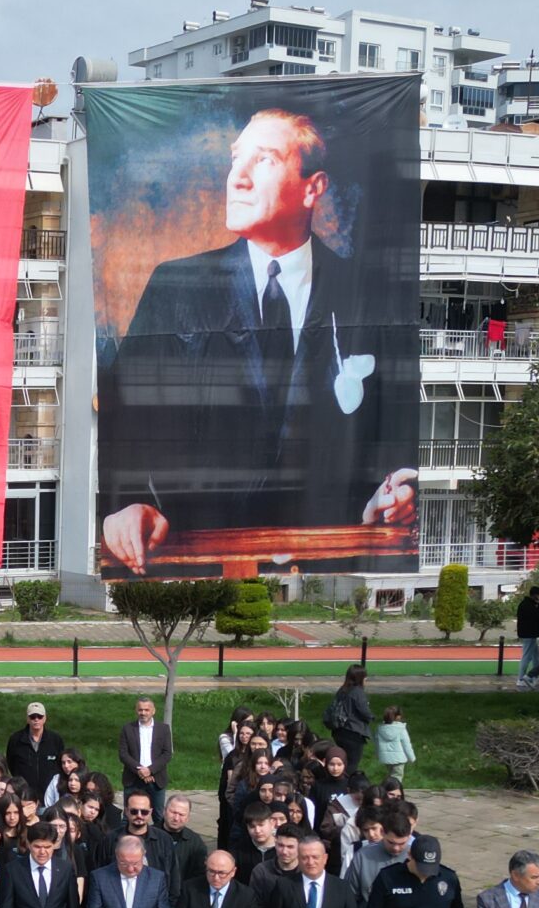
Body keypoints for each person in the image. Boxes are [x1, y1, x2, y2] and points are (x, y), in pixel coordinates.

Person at [96, 106, 417, 573]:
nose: (237, 178)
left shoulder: (368, 295)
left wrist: (390, 493)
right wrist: (127, 505)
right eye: (234, 159)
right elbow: (123, 412)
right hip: (197, 557)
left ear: (314, 187)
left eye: (263, 159)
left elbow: (394, 418)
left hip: (330, 559)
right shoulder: (175, 285)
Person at [117, 700, 172, 809]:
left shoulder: (163, 729)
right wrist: (140, 771)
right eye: (140, 710)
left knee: (158, 816)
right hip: (133, 779)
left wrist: (150, 770)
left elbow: (167, 754)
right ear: (136, 711)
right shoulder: (127, 729)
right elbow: (123, 754)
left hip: (156, 779)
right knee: (129, 815)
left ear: (153, 711)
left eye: (147, 710)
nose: (143, 713)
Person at [6, 705, 64, 807]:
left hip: (48, 799)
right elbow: (11, 763)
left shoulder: (55, 740)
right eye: (33, 716)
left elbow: (60, 765)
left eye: (39, 716)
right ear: (27, 719)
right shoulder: (15, 740)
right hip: (23, 798)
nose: (36, 719)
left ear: (45, 718)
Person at [322, 668, 373, 776]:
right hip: (353, 732)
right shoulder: (358, 692)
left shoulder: (343, 690)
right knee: (352, 763)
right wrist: (371, 717)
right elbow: (364, 711)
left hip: (339, 731)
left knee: (343, 760)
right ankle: (346, 784)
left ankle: (338, 780)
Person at [372, 706, 413, 785]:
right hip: (399, 758)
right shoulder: (401, 729)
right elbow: (406, 744)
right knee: (397, 777)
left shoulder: (380, 729)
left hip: (386, 758)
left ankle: (387, 791)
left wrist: (378, 755)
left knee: (390, 775)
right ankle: (394, 793)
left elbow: (377, 743)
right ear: (398, 717)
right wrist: (411, 758)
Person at [514, 586, 539, 689]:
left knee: (536, 656)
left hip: (530, 633)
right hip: (529, 634)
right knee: (526, 656)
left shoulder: (527, 604)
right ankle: (521, 678)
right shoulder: (529, 605)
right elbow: (537, 616)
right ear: (536, 595)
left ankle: (534, 675)